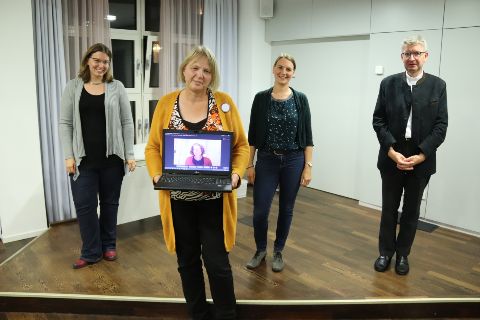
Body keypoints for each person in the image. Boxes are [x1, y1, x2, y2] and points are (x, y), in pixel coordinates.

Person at [145, 46, 249, 320]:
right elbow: (153, 148)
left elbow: (241, 146)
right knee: (187, 262)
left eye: (206, 70)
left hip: (215, 202)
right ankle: (198, 313)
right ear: (184, 70)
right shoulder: (167, 103)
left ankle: (227, 314)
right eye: (195, 68)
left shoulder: (224, 103)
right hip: (178, 201)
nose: (199, 74)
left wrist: (236, 174)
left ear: (212, 76)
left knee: (218, 264)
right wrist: (157, 175)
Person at [372, 35, 448, 275]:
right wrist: (391, 151)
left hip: (420, 159)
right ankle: (385, 252)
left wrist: (423, 154)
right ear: (402, 57)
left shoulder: (438, 86)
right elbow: (378, 120)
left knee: (412, 210)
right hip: (392, 156)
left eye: (416, 53)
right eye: (407, 54)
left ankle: (403, 254)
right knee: (389, 209)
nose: (412, 58)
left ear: (426, 56)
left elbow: (441, 126)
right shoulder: (388, 84)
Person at [59, 43, 136, 269]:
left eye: (105, 62)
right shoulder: (73, 87)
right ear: (87, 62)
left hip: (112, 159)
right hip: (83, 160)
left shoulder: (117, 87)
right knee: (85, 206)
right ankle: (91, 251)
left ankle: (109, 245)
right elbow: (65, 123)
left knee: (110, 204)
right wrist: (68, 156)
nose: (101, 65)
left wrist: (129, 154)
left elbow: (126, 122)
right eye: (97, 61)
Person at [245, 53, 313, 272]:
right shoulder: (261, 98)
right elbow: (253, 135)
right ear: (273, 69)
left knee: (286, 208)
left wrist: (308, 167)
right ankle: (260, 249)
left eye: (289, 69)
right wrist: (249, 164)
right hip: (267, 159)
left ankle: (278, 251)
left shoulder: (300, 99)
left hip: (294, 160)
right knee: (260, 210)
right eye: (280, 67)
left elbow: (308, 136)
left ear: (293, 73)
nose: (284, 72)